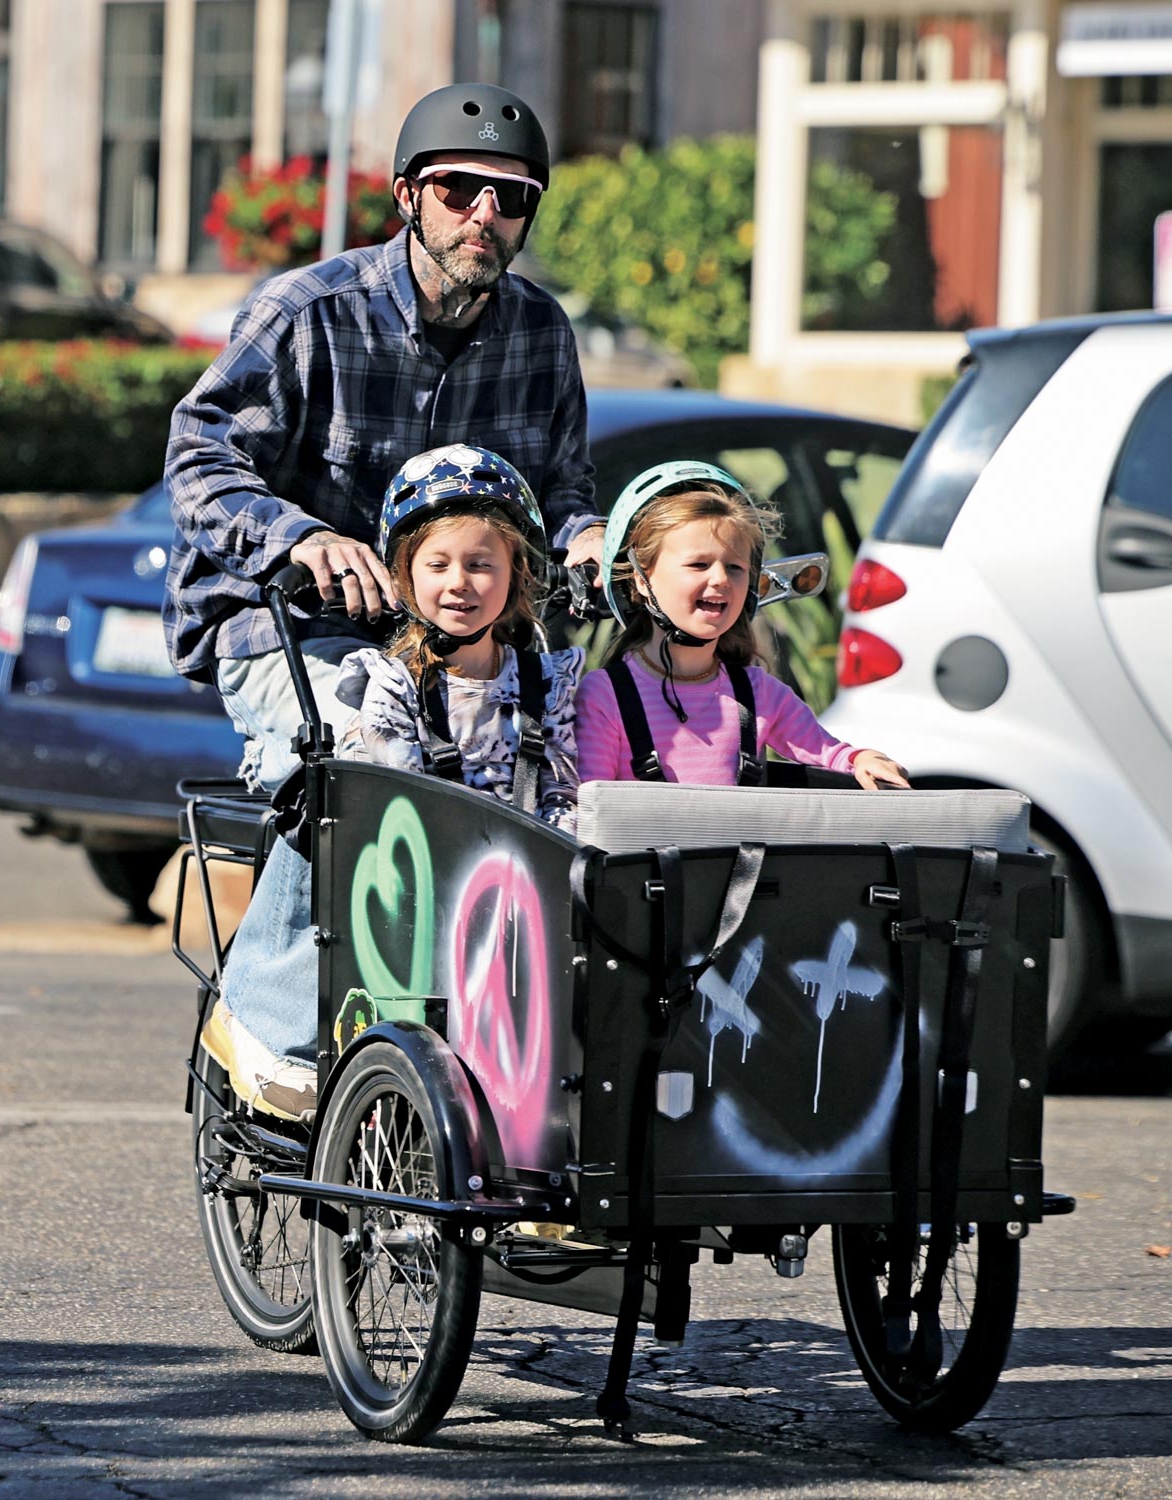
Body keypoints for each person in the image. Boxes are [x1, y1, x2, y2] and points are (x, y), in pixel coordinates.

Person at [163, 82, 603, 793]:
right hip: (294, 626)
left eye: (511, 196)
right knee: (368, 766)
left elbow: (561, 491)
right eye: (458, 189)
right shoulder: (309, 313)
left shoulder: (543, 332)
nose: (484, 215)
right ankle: (288, 905)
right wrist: (301, 539)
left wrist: (586, 535)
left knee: (578, 758)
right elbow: (198, 453)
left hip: (458, 643)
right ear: (407, 195)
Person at [202, 447, 583, 1121]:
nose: (459, 582)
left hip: (526, 889)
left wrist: (565, 858)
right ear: (404, 577)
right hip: (423, 888)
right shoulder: (383, 681)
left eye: (481, 564)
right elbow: (396, 790)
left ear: (516, 574)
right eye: (436, 565)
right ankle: (273, 1024)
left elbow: (564, 782)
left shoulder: (547, 682)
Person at [574, 462, 910, 790]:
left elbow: (830, 753)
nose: (720, 579)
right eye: (698, 564)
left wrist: (864, 758)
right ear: (642, 580)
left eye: (735, 567)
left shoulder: (757, 693)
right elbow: (590, 810)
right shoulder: (606, 696)